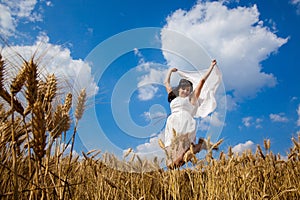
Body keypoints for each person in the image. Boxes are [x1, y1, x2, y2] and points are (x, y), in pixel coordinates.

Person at [163, 59, 219, 168]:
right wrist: (170, 71)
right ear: (179, 89)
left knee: (180, 159)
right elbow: (166, 82)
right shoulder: (173, 97)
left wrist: (211, 67)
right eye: (183, 89)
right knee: (171, 164)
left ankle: (200, 146)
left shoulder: (192, 99)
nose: (185, 91)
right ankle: (201, 145)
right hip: (172, 124)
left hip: (185, 124)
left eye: (188, 90)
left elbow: (202, 81)